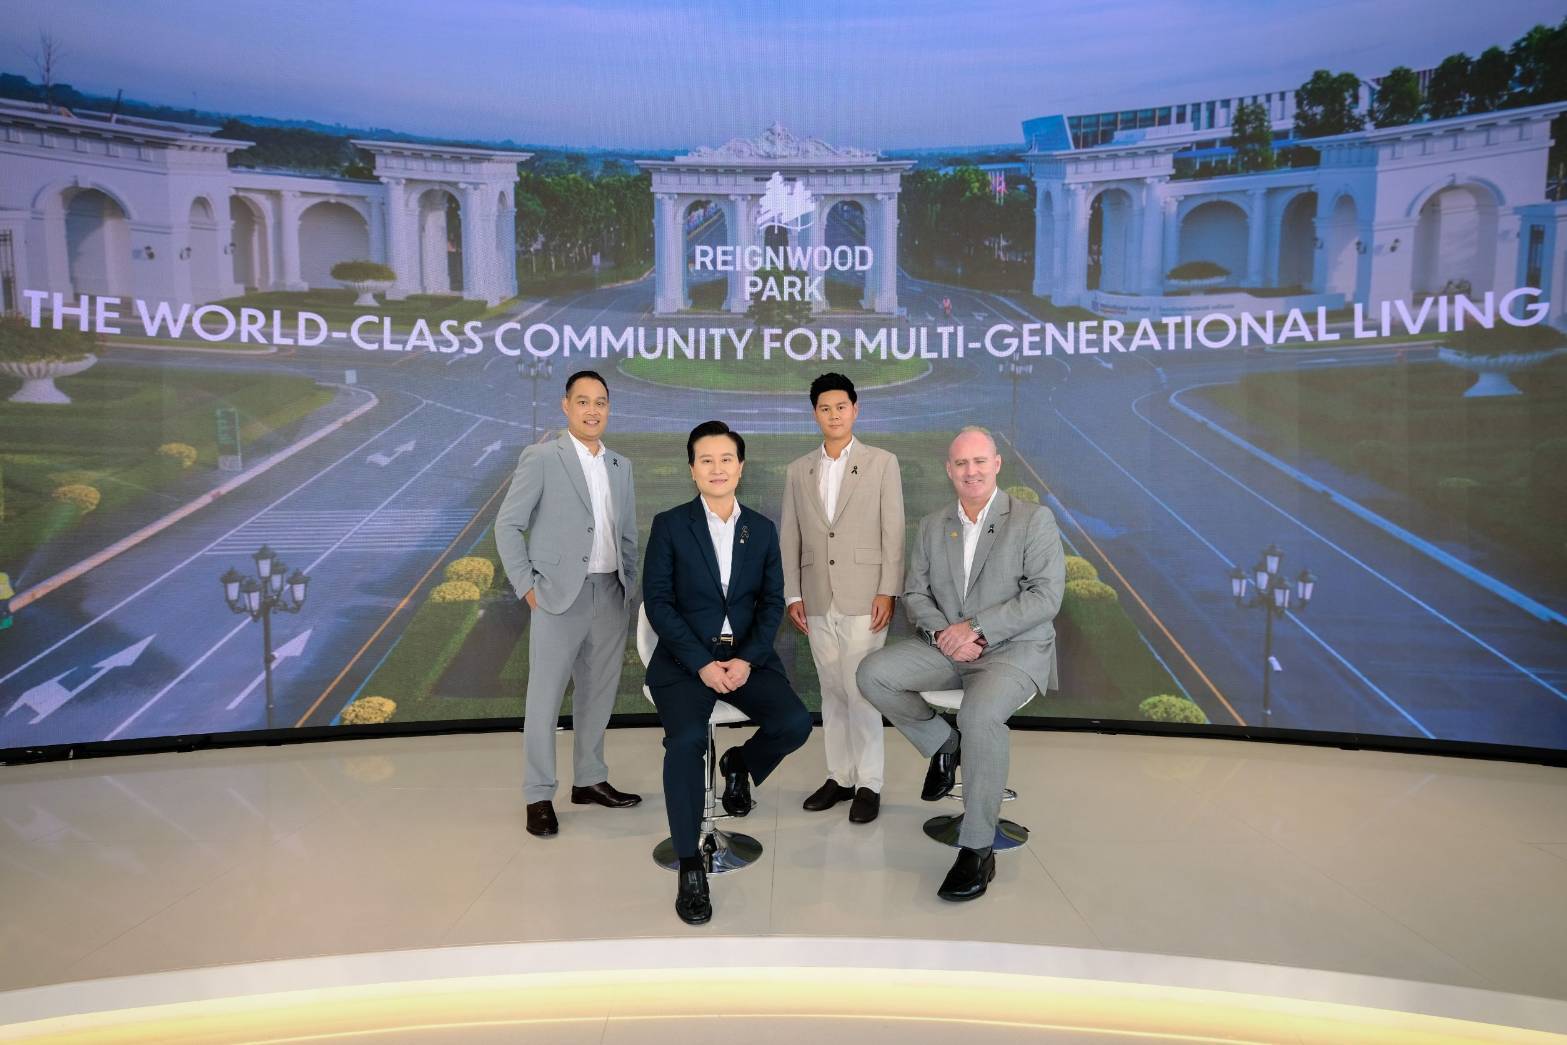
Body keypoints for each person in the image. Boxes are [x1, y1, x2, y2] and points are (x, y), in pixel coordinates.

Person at [856, 426, 1065, 902]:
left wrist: (976, 629)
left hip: (1012, 650)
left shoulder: (1032, 520)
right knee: (873, 674)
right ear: (949, 470)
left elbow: (1045, 597)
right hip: (947, 646)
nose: (971, 471)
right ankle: (943, 744)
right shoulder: (934, 525)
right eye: (961, 463)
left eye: (979, 461)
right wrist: (944, 635)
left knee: (979, 715)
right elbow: (915, 593)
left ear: (996, 464)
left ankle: (977, 848)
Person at [643, 421, 813, 924]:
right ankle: (690, 864)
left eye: (726, 459)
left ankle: (739, 764)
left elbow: (771, 603)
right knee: (686, 741)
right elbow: (658, 602)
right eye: (706, 460)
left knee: (794, 723)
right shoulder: (670, 525)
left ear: (740, 467)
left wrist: (745, 659)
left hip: (745, 659)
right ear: (692, 469)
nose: (717, 469)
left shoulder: (760, 528)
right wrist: (701, 663)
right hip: (684, 662)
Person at [496, 370, 641, 838]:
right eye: (583, 401)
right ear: (566, 406)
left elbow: (627, 534)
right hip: (558, 596)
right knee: (544, 699)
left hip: (610, 594)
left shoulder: (620, 465)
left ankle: (590, 779)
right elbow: (507, 525)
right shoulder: (542, 457)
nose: (592, 410)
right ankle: (538, 794)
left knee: (598, 694)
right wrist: (527, 585)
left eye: (600, 402)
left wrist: (629, 585)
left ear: (608, 408)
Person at [781, 373, 905, 823]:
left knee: (861, 690)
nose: (833, 415)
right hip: (816, 596)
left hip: (866, 596)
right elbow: (790, 535)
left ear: (855, 410)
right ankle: (841, 776)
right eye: (824, 408)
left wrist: (887, 590)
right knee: (831, 689)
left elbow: (894, 531)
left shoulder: (882, 463)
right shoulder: (799, 470)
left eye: (841, 407)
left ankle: (869, 783)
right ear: (814, 414)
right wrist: (793, 592)